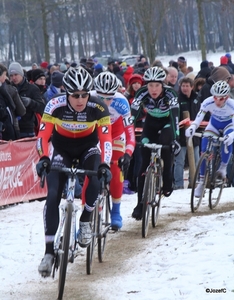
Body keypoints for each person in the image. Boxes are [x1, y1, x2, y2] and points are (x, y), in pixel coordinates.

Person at [36, 66, 113, 277]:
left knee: (96, 179)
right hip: (62, 149)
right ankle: (49, 252)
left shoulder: (98, 107)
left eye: (84, 95)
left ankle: (86, 220)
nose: (80, 100)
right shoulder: (54, 105)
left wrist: (105, 164)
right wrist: (43, 158)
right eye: (75, 95)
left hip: (88, 148)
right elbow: (42, 136)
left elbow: (106, 140)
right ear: (67, 93)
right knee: (52, 196)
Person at [131, 66, 181, 220]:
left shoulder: (170, 93)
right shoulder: (142, 92)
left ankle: (167, 178)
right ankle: (140, 203)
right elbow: (133, 114)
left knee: (165, 145)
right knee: (143, 162)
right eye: (150, 85)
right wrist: (129, 132)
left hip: (167, 123)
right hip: (150, 124)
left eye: (157, 85)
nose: (153, 89)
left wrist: (176, 137)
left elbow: (175, 117)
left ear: (162, 84)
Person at [91, 71, 135, 229]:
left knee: (116, 168)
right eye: (100, 97)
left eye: (109, 98)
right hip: (95, 133)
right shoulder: (88, 97)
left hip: (115, 133)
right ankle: (86, 217)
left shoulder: (122, 101)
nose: (104, 101)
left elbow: (130, 132)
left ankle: (116, 210)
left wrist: (128, 154)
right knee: (90, 170)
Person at [185, 80, 234, 197]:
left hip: (229, 125)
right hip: (214, 125)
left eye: (221, 98)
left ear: (226, 97)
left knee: (227, 141)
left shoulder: (232, 104)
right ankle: (201, 183)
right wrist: (193, 126)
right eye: (215, 97)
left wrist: (232, 135)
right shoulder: (208, 102)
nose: (217, 100)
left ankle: (223, 168)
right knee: (204, 147)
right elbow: (199, 117)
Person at [173, 77, 201, 189]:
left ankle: (193, 181)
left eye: (187, 86)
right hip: (181, 136)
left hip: (195, 136)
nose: (184, 88)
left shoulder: (197, 98)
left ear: (192, 87)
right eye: (183, 86)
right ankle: (178, 184)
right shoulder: (177, 99)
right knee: (179, 161)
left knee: (195, 160)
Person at [8, 61, 45, 138]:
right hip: (11, 129)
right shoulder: (8, 89)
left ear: (21, 74)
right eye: (11, 76)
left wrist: (30, 102)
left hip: (27, 128)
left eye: (16, 74)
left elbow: (41, 107)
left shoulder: (32, 88)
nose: (14, 78)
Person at [124, 73, 144, 193]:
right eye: (134, 83)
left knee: (139, 158)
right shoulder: (126, 98)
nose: (136, 85)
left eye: (138, 83)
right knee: (130, 158)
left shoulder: (144, 97)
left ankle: (137, 182)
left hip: (141, 131)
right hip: (129, 131)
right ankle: (129, 181)